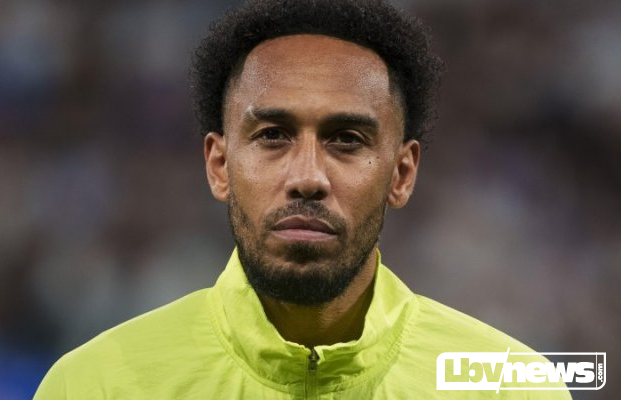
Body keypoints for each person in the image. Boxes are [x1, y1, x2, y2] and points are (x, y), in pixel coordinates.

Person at [35, 0, 571, 398]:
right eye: (272, 135)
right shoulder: (94, 385)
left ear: (402, 174)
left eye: (347, 140)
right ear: (219, 166)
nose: (308, 177)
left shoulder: (512, 387)